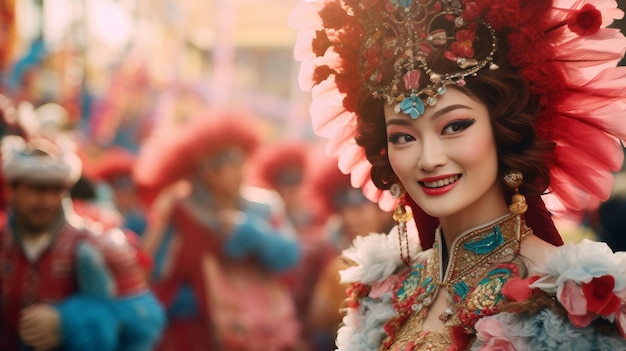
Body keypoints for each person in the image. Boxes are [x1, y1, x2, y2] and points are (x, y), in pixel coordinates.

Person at [291, 0, 626, 350]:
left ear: (503, 130)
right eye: (403, 137)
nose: (428, 159)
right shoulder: (383, 289)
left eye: (454, 126)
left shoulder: (573, 300)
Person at [135, 110, 302, 351]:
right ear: (207, 172)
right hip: (197, 332)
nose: (241, 172)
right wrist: (199, 299)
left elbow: (290, 257)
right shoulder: (182, 210)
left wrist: (254, 234)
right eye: (231, 165)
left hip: (264, 328)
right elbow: (157, 271)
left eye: (242, 162)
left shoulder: (264, 205)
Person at [0, 135, 165, 351]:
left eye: (56, 190)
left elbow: (144, 323)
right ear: (12, 190)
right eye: (37, 189)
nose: (47, 200)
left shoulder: (100, 242)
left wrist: (68, 322)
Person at [306, 157, 395, 351]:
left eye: (357, 207)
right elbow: (316, 323)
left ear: (384, 209)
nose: (347, 218)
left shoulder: (412, 254)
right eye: (342, 209)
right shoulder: (338, 268)